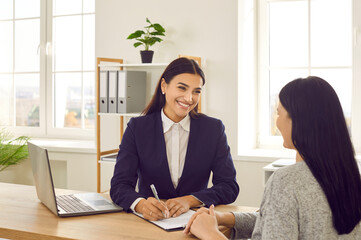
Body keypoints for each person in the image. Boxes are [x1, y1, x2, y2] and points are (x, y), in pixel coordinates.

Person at [184, 76, 361, 239]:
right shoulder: (350, 175)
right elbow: (280, 223)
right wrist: (226, 218)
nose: (276, 122)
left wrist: (210, 233)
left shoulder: (287, 181)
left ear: (297, 120)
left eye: (278, 113)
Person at [110, 57, 239, 221]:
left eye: (196, 91)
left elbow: (229, 186)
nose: (189, 98)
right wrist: (141, 205)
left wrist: (190, 200)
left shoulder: (213, 129)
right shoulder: (137, 128)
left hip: (194, 223)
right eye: (182, 88)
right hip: (151, 222)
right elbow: (119, 186)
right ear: (164, 86)